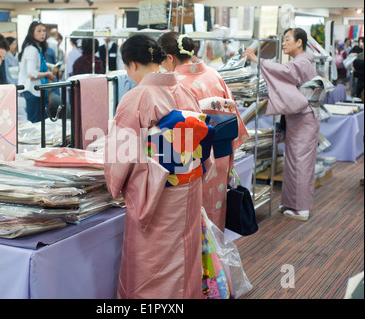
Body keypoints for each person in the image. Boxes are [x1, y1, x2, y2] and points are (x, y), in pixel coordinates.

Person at [104, 34, 205, 299]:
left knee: (151, 265)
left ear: (132, 65)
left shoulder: (136, 97)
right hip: (189, 186)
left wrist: (113, 184)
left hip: (159, 193)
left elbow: (120, 156)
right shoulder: (183, 89)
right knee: (185, 256)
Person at [158, 32, 250, 230]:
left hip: (193, 162)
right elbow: (234, 121)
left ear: (170, 58)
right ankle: (216, 259)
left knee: (192, 219)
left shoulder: (173, 84)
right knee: (215, 214)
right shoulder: (214, 75)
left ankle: (199, 261)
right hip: (221, 155)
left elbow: (169, 133)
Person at [242, 28, 319, 221]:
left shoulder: (300, 62)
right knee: (293, 161)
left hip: (304, 118)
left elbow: (283, 72)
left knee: (300, 162)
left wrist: (256, 60)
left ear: (299, 42)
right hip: (299, 118)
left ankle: (301, 208)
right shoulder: (300, 61)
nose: (283, 43)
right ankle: (292, 203)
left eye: (286, 39)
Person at [18, 21, 56, 123]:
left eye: (44, 31)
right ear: (32, 33)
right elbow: (32, 74)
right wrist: (47, 74)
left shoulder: (36, 48)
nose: (42, 33)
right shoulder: (32, 49)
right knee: (35, 122)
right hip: (32, 90)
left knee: (39, 121)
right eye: (39, 31)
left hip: (35, 90)